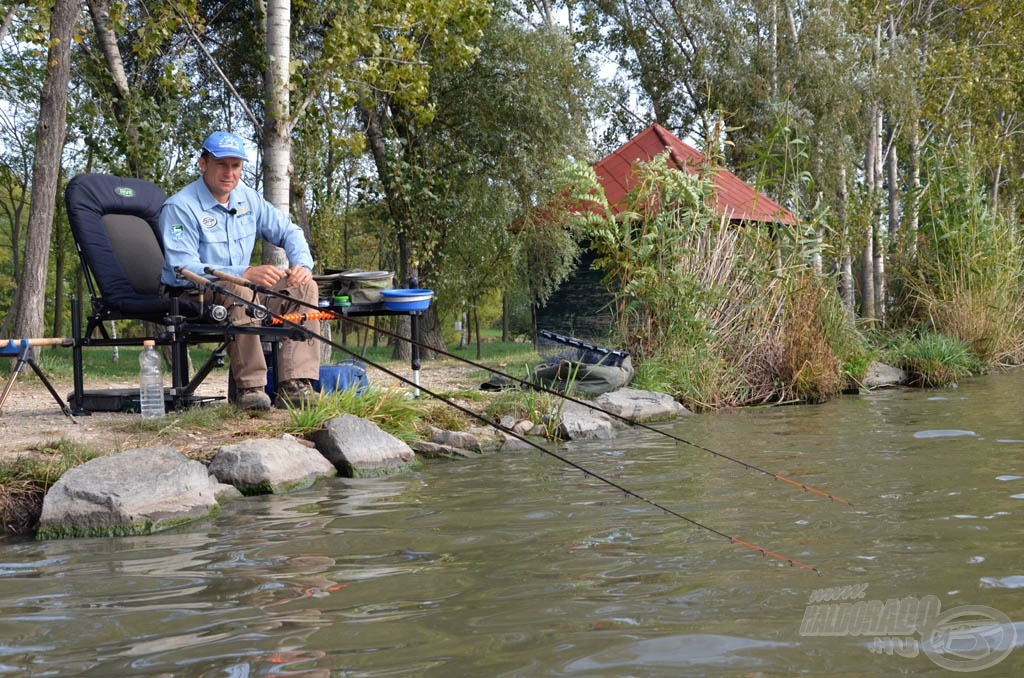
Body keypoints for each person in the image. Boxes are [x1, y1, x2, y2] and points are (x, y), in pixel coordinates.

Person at [159, 130, 320, 411]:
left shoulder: (248, 198)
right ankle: (251, 389)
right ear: (203, 163)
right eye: (222, 164)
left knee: (303, 286)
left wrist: (302, 265)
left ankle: (296, 386)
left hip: (244, 290)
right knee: (238, 288)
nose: (229, 173)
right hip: (191, 293)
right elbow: (181, 266)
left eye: (236, 166)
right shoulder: (180, 206)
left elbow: (289, 230)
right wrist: (243, 273)